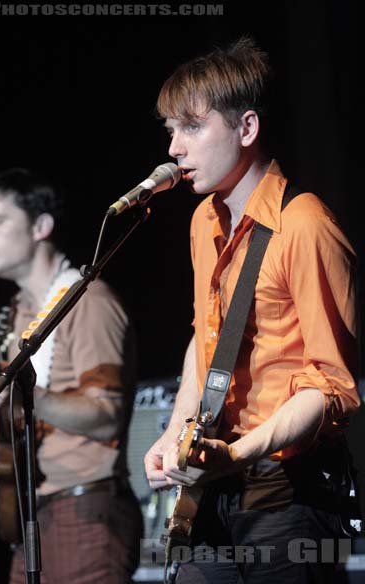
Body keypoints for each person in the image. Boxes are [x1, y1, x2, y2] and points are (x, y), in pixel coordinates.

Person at [144, 37, 361, 583]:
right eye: (171, 130)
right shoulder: (203, 222)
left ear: (246, 128)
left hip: (292, 497)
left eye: (191, 127)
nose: (175, 148)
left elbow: (330, 385)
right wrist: (175, 432)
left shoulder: (306, 224)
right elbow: (206, 339)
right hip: (217, 482)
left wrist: (238, 453)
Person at [0, 167, 143, 584]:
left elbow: (107, 415)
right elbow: (25, 413)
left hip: (85, 512)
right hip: (36, 515)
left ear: (41, 225)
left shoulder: (88, 302)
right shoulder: (19, 314)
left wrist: (29, 393)